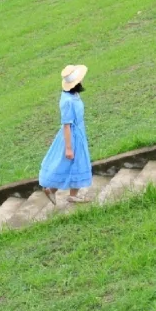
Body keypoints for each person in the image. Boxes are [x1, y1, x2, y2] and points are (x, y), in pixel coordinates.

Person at [39, 64, 93, 205]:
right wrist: (69, 148)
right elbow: (66, 125)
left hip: (78, 133)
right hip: (73, 136)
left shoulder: (72, 95)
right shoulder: (68, 101)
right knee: (77, 162)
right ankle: (72, 195)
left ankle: (52, 189)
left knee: (67, 164)